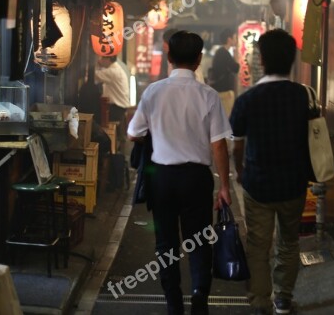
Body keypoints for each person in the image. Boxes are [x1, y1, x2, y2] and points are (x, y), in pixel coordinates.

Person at [127, 31, 232, 315]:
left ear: (169, 58)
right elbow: (219, 144)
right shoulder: (208, 95)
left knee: (166, 244)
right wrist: (225, 186)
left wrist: (158, 131)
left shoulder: (153, 92)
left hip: (161, 178)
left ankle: (174, 303)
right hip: (196, 179)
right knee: (199, 239)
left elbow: (133, 133)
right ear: (198, 60)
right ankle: (199, 294)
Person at [229, 29, 313, 315]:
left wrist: (239, 171)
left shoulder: (248, 100)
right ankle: (283, 299)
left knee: (257, 245)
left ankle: (261, 301)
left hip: (258, 184)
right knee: (289, 242)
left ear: (261, 60)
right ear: (292, 59)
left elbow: (236, 145)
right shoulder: (304, 97)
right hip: (294, 183)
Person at [95, 55, 131, 141]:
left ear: (108, 59)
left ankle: (104, 144)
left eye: (102, 57)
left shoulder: (113, 71)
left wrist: (96, 64)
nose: (100, 59)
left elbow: (93, 75)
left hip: (116, 108)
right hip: (120, 108)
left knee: (93, 116)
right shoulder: (116, 69)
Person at [209, 28, 240, 117]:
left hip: (220, 90)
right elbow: (235, 68)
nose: (235, 40)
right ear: (229, 39)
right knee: (226, 118)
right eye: (234, 38)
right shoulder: (224, 53)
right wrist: (236, 55)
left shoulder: (221, 52)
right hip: (224, 92)